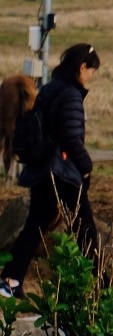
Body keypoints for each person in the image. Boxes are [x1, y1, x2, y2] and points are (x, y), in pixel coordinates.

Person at [1, 43, 101, 296]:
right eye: (91, 71)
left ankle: (10, 281)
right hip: (63, 172)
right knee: (86, 230)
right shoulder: (71, 95)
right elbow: (71, 137)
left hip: (42, 169)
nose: (91, 77)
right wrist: (86, 167)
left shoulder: (48, 89)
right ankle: (103, 286)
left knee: (34, 227)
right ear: (81, 68)